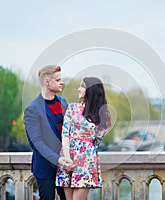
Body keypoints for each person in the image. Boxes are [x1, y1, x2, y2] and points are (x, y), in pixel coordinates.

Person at [56, 77, 111, 200]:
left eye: (82, 86)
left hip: (86, 159)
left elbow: (98, 139)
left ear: (91, 90)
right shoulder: (72, 108)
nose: (78, 89)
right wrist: (68, 159)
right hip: (67, 156)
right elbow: (65, 134)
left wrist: (85, 150)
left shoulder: (103, 115)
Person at [24, 65, 73, 200]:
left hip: (66, 166)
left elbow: (70, 132)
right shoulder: (32, 109)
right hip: (45, 167)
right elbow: (36, 142)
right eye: (57, 80)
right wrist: (57, 159)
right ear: (47, 82)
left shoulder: (63, 103)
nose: (61, 82)